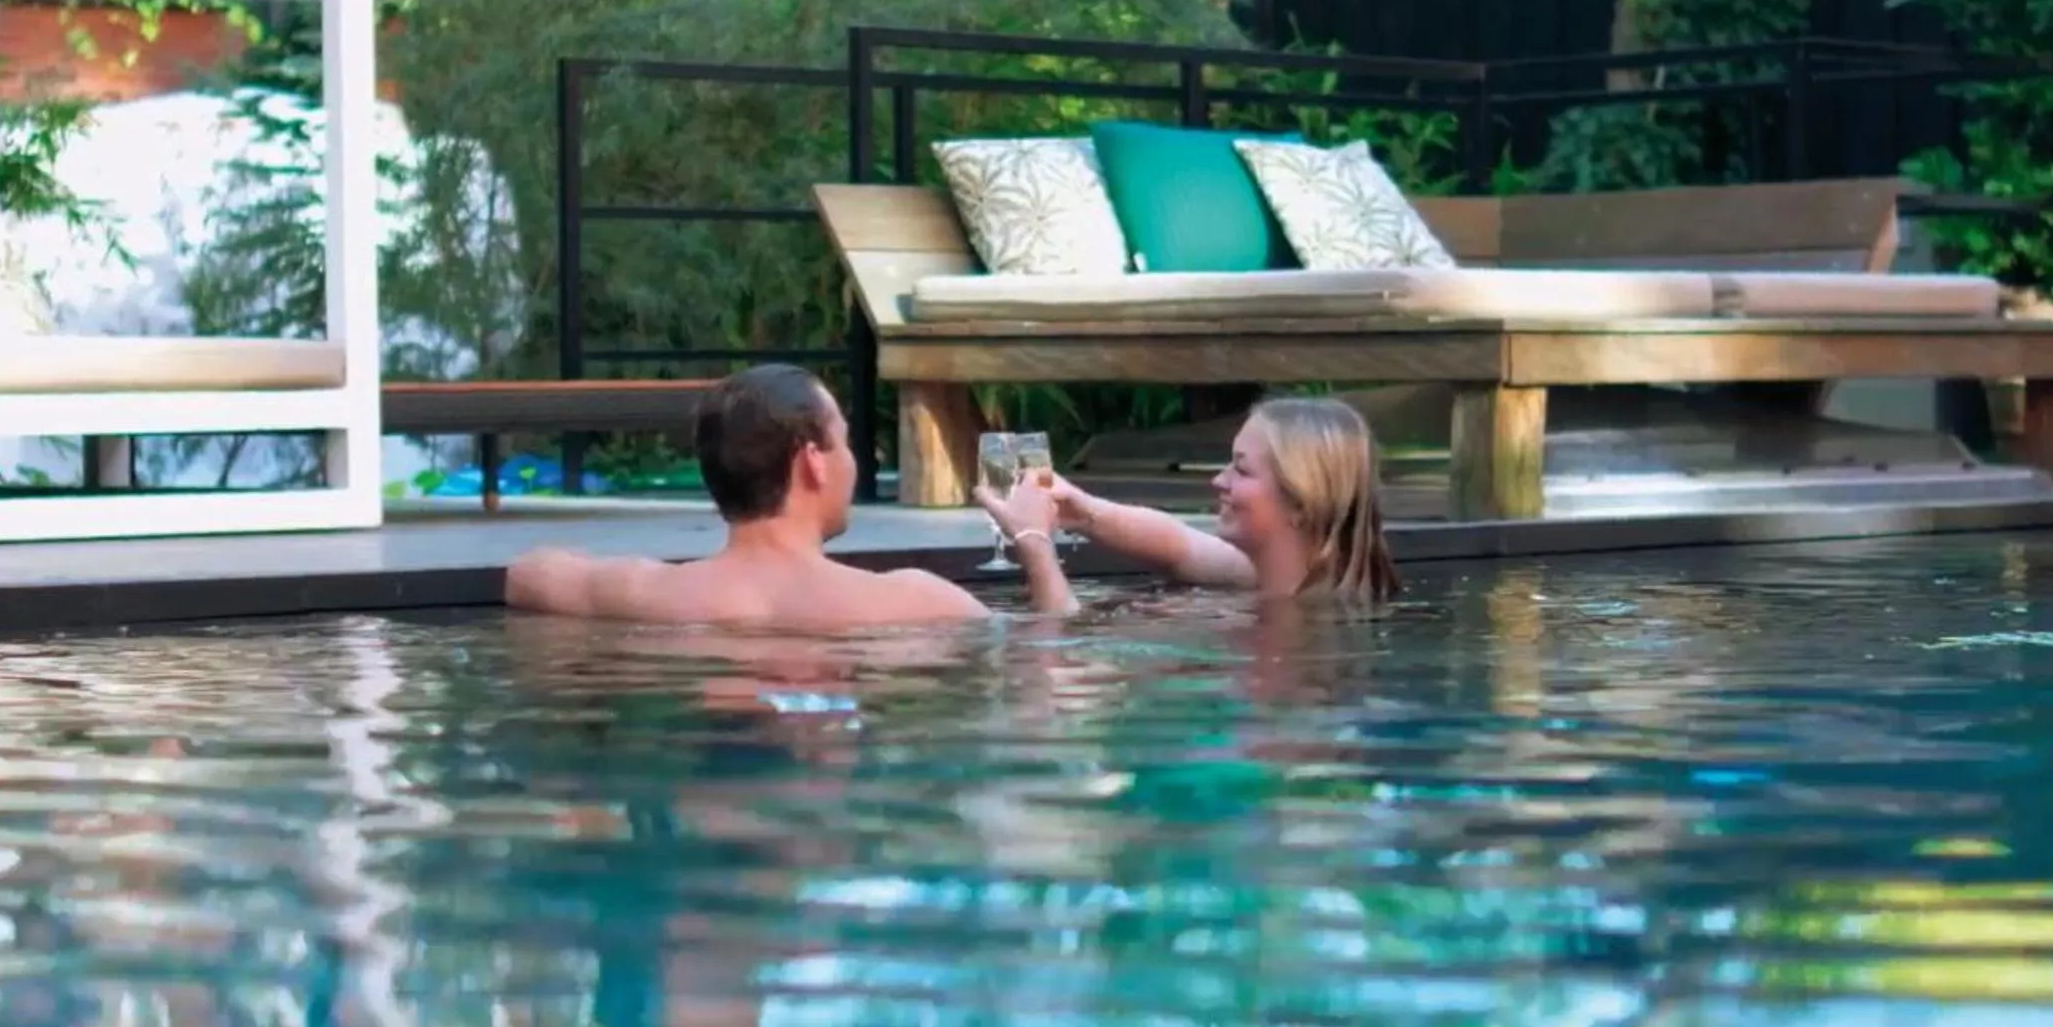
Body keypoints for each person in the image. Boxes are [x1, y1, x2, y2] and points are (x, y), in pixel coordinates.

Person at [506, 363, 1075, 630]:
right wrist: (1034, 542)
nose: (854, 463)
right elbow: (1047, 650)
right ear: (812, 462)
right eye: (847, 443)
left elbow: (525, 574)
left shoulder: (648, 591)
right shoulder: (911, 601)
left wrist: (611, 573)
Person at [981, 395, 1401, 603]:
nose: (1219, 480)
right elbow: (1180, 546)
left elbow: (1055, 665)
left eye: (1242, 469)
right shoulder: (1297, 578)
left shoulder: (1298, 633)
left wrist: (1035, 545)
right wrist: (1082, 509)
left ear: (1301, 505)